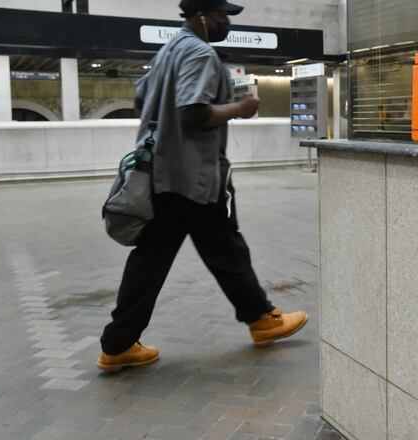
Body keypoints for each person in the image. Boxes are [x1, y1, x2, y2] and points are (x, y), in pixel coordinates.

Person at [97, 0, 308, 372]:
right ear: (201, 16)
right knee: (223, 249)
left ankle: (118, 345)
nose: (226, 21)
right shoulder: (200, 53)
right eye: (222, 15)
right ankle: (261, 319)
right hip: (192, 177)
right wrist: (241, 108)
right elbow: (192, 114)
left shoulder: (168, 51)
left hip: (161, 171)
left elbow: (140, 101)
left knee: (160, 257)